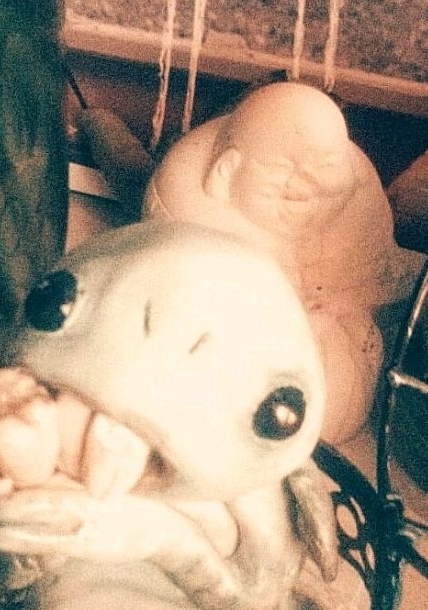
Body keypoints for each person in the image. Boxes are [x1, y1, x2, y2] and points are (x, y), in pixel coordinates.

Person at [145, 83, 410, 441]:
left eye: (326, 169)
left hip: (332, 343)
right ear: (226, 172)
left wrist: (335, 305)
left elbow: (375, 280)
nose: (302, 190)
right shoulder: (190, 209)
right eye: (281, 174)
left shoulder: (358, 206)